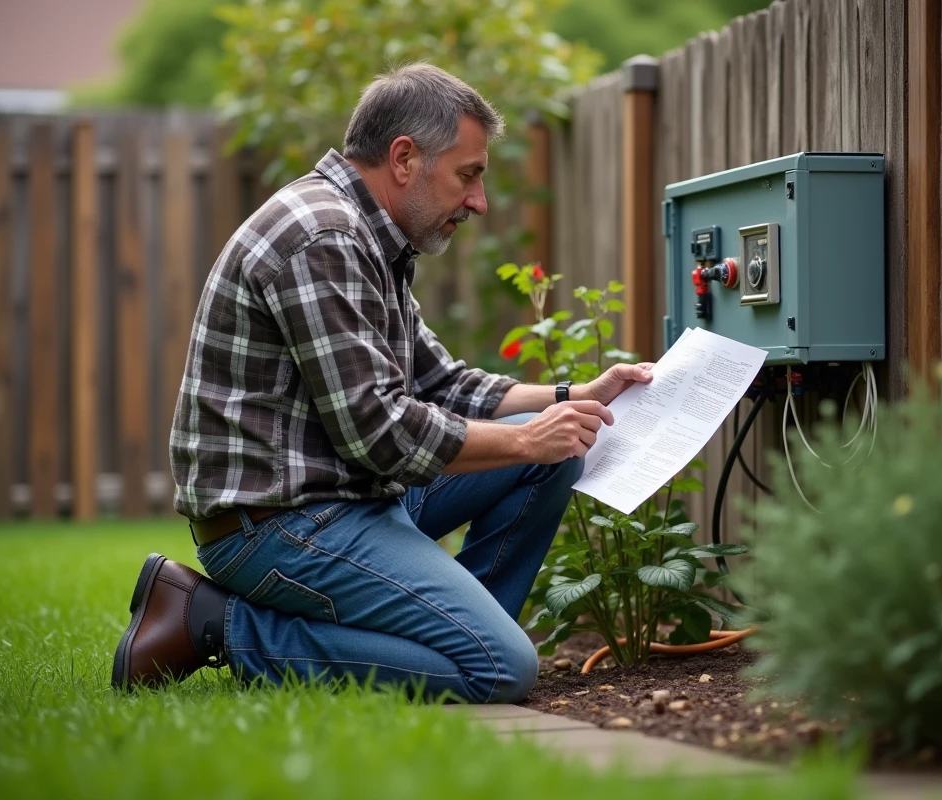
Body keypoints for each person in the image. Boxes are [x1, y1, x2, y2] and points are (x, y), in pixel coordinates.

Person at [110, 63, 652, 703]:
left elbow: (442, 382)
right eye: (469, 175)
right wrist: (528, 440)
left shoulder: (370, 238)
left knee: (555, 459)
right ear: (404, 158)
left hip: (347, 497)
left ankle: (452, 640)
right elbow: (381, 433)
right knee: (502, 668)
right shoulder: (322, 237)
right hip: (279, 524)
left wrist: (573, 398)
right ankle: (216, 624)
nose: (478, 201)